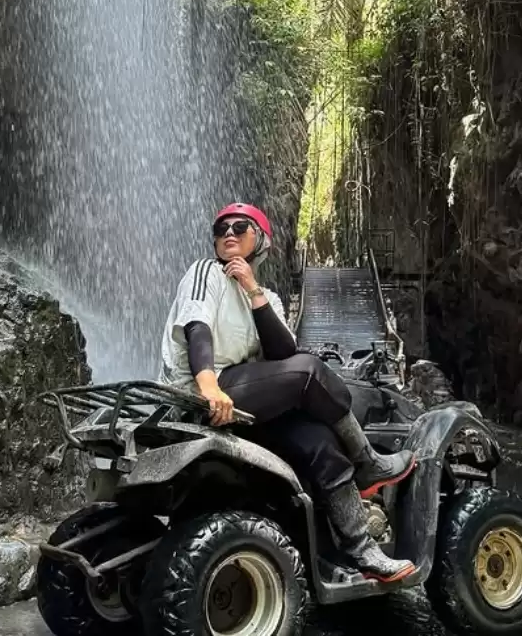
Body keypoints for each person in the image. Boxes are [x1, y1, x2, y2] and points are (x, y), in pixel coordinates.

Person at [158, 202, 419, 583]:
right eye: (221, 229)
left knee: (319, 442)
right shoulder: (206, 272)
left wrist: (252, 289)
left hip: (242, 402)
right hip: (200, 393)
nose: (228, 234)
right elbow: (198, 327)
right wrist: (208, 385)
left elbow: (282, 355)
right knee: (311, 371)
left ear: (260, 239)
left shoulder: (267, 297)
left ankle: (363, 551)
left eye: (239, 227)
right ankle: (367, 460)